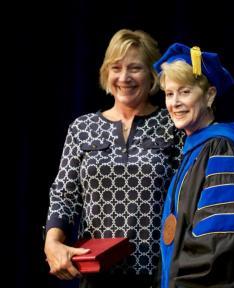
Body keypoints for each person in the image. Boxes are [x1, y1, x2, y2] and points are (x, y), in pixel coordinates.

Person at [44, 29, 183, 288]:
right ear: (106, 73)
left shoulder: (173, 125)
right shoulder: (82, 127)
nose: (124, 77)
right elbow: (65, 195)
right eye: (116, 67)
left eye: (135, 68)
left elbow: (187, 198)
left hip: (157, 275)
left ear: (153, 75)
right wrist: (52, 242)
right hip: (95, 274)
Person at [153, 43, 234, 287]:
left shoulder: (221, 150)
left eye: (185, 92)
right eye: (169, 94)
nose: (175, 102)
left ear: (210, 95)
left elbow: (223, 245)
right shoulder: (195, 152)